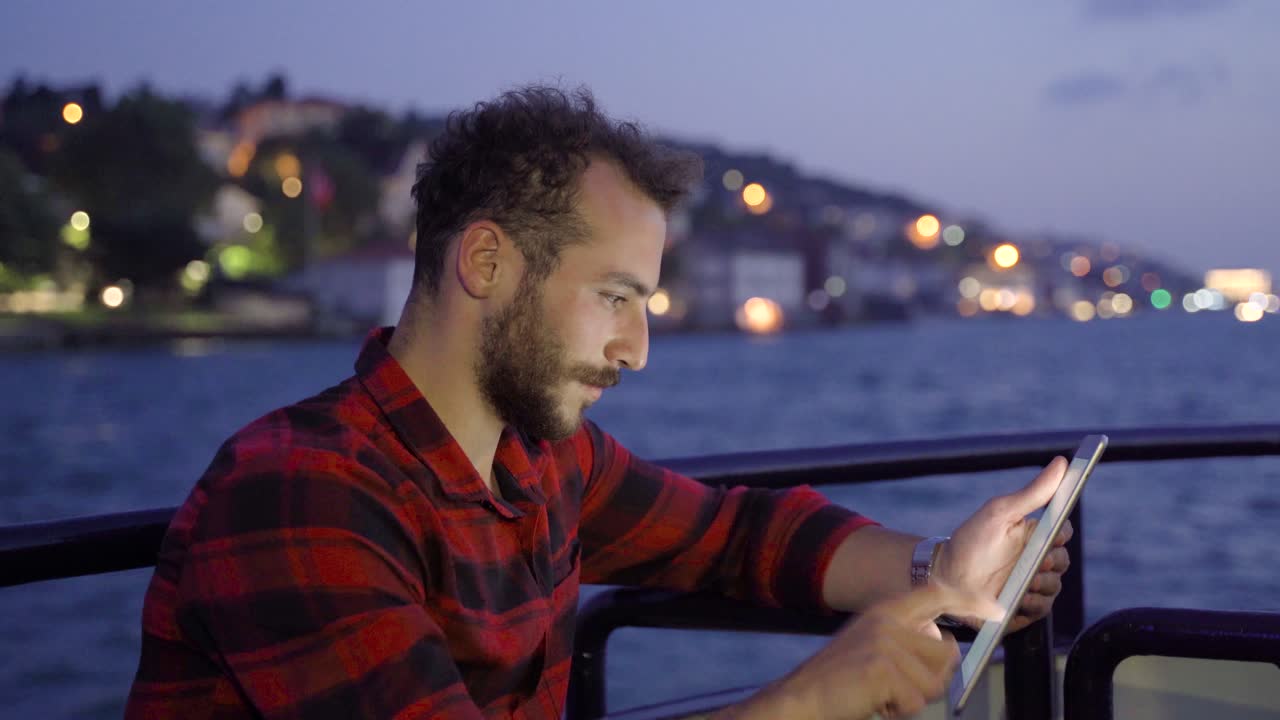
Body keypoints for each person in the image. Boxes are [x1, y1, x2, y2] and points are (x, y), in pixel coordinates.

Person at [125, 85, 1072, 720]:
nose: (638, 348)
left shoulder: (540, 460)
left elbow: (734, 536)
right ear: (487, 263)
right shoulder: (301, 497)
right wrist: (805, 700)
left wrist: (940, 569)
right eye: (616, 298)